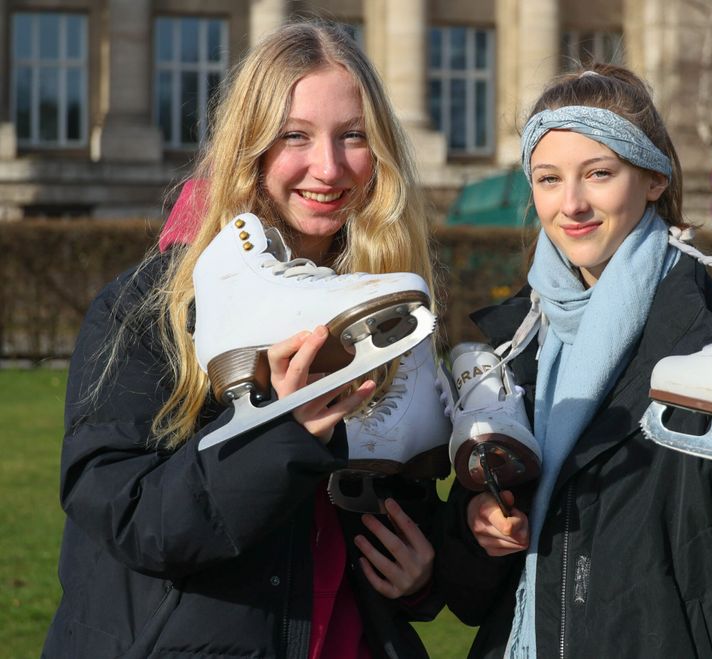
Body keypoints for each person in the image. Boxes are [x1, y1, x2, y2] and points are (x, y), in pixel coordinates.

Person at [436, 63, 712, 658]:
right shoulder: (513, 343)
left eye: (599, 173)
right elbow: (468, 599)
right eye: (548, 178)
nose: (571, 204)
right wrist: (478, 532)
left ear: (652, 179)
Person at [43, 20, 445, 658]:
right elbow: (132, 521)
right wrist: (284, 433)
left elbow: (399, 507)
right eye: (295, 136)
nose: (329, 167)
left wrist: (424, 576)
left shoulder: (378, 308)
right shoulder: (146, 311)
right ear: (249, 145)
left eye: (354, 138)